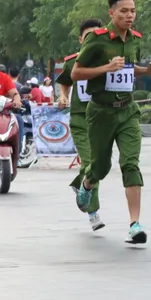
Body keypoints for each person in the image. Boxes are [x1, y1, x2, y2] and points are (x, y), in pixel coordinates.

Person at [72, 0, 151, 246]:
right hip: (100, 111)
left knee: (130, 164)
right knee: (101, 166)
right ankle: (87, 183)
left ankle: (135, 224)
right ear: (111, 13)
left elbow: (130, 69)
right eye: (124, 11)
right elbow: (77, 72)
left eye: (133, 11)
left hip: (128, 111)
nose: (129, 15)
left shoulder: (135, 39)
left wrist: (148, 71)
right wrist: (105, 68)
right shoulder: (97, 40)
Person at [56, 18, 106, 232]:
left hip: (104, 118)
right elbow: (64, 82)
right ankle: (93, 212)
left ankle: (79, 184)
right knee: (90, 165)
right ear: (80, 39)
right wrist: (63, 96)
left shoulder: (111, 60)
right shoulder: (72, 62)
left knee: (100, 165)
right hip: (80, 119)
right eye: (88, 36)